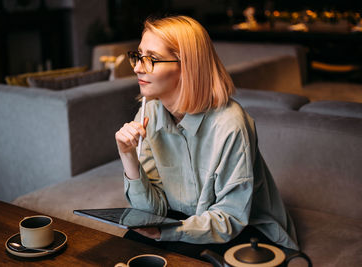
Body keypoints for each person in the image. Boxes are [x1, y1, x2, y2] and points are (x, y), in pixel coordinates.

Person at [115, 15, 299, 259]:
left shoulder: (230, 125)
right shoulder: (148, 112)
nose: (138, 67)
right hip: (186, 217)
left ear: (188, 65)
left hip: (246, 229)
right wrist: (128, 157)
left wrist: (165, 232)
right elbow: (153, 210)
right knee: (128, 249)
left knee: (181, 253)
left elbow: (230, 218)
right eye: (138, 55)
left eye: (152, 59)